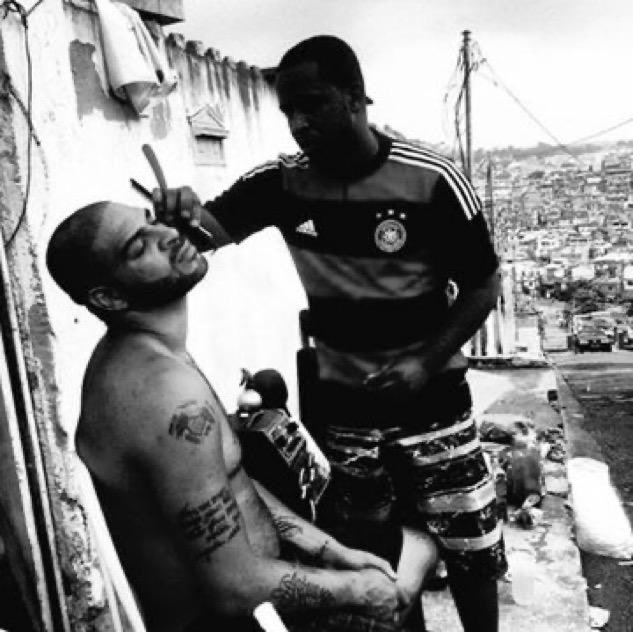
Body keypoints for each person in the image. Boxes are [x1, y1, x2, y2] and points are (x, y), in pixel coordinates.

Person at [154, 35, 507, 632]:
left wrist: (424, 362)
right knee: (375, 553)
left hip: (435, 404)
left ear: (354, 97)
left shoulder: (432, 178)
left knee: (468, 544)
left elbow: (483, 285)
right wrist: (179, 214)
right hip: (347, 411)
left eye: (312, 104)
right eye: (288, 110)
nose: (298, 123)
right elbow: (204, 232)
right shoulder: (281, 183)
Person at [46, 202, 437, 632]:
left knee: (410, 551)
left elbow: (229, 485)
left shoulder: (158, 354)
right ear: (110, 297)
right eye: (140, 247)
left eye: (152, 220)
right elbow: (232, 589)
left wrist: (330, 550)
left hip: (262, 591)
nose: (169, 235)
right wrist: (359, 590)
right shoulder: (162, 392)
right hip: (235, 620)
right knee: (399, 575)